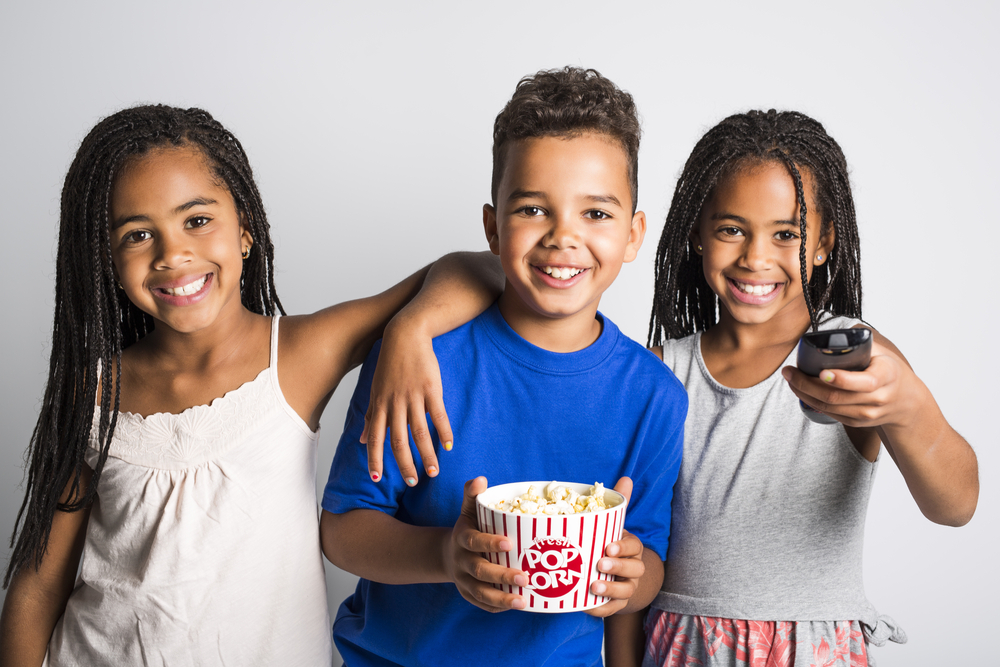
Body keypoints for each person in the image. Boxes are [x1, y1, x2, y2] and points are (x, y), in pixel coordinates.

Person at [366, 109, 980, 667]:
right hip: (679, 648)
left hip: (811, 650)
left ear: (822, 244)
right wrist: (411, 325)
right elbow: (626, 555)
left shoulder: (851, 358)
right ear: (696, 233)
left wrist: (910, 410)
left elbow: (955, 506)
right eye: (731, 229)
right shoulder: (661, 374)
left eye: (786, 235)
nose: (755, 258)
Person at [0, 104, 505, 667]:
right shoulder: (94, 392)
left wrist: (409, 328)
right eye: (138, 235)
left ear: (244, 230)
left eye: (197, 221)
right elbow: (38, 585)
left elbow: (484, 267)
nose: (173, 255)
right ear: (108, 259)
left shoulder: (298, 356)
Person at [319, 67, 688, 667]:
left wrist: (632, 576)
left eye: (596, 214)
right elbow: (343, 529)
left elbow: (647, 563)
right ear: (493, 228)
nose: (563, 237)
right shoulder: (419, 360)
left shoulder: (654, 396)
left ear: (633, 234)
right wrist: (446, 556)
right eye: (534, 209)